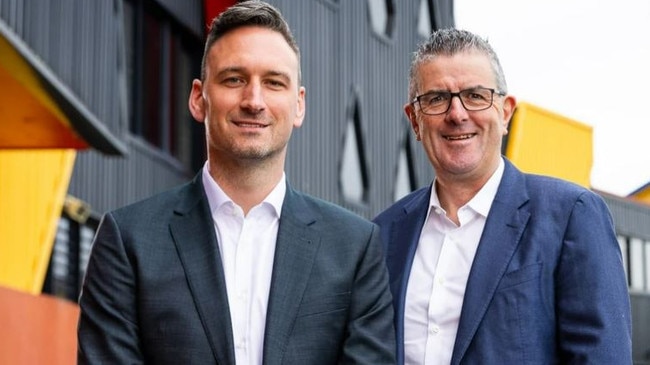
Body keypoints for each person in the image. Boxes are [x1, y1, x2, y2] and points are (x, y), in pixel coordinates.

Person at [77, 1, 395, 364]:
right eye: (234, 79)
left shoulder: (354, 248)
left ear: (299, 105)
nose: (254, 101)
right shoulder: (128, 240)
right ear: (199, 98)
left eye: (274, 83)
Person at [373, 28, 632, 364]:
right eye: (436, 98)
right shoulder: (384, 234)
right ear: (415, 120)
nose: (457, 114)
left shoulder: (570, 216)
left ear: (506, 112)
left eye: (476, 95)